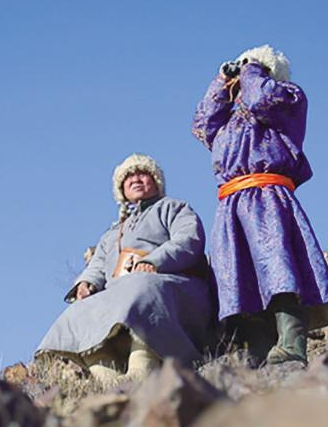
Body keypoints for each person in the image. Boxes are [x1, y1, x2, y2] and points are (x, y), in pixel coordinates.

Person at [191, 45, 328, 365]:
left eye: (251, 69)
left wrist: (253, 68)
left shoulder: (287, 97)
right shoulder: (229, 123)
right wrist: (221, 82)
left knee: (278, 266)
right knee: (237, 276)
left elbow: (261, 98)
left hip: (267, 196)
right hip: (231, 202)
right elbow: (202, 125)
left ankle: (291, 342)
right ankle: (257, 352)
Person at [35, 154, 215, 383]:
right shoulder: (112, 233)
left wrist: (154, 261)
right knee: (78, 311)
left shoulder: (173, 208)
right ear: (121, 189)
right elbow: (98, 264)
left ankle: (142, 368)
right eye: (128, 177)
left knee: (141, 286)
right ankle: (108, 379)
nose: (135, 179)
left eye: (143, 174)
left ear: (156, 181)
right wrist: (85, 283)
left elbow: (188, 240)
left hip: (169, 285)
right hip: (120, 291)